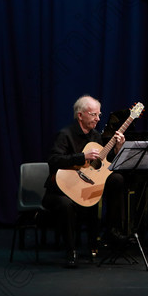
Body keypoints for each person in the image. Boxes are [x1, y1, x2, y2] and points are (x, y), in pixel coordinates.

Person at [43, 95, 127, 268]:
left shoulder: (96, 136)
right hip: (59, 191)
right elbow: (54, 160)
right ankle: (70, 251)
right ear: (80, 115)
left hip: (83, 187)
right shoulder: (65, 134)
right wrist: (82, 157)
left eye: (99, 115)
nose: (98, 119)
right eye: (93, 115)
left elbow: (102, 164)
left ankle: (112, 229)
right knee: (66, 205)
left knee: (117, 179)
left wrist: (118, 148)